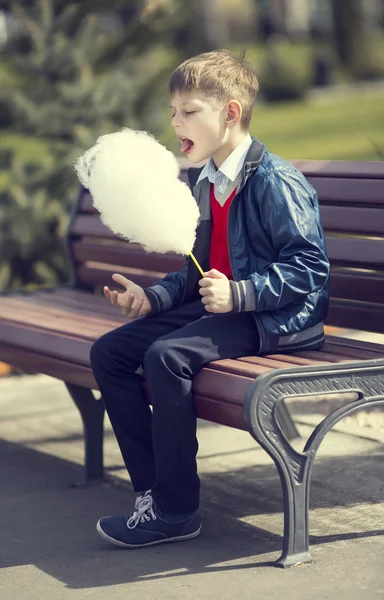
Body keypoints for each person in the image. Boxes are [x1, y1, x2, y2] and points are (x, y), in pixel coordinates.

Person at [91, 49, 330, 548]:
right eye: (173, 111)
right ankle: (152, 494)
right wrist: (153, 299)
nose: (176, 122)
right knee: (109, 353)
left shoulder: (273, 181)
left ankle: (178, 510)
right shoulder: (205, 181)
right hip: (226, 308)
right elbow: (194, 269)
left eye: (189, 111)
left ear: (231, 112)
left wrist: (240, 292)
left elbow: (310, 267)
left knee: (168, 356)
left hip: (277, 316)